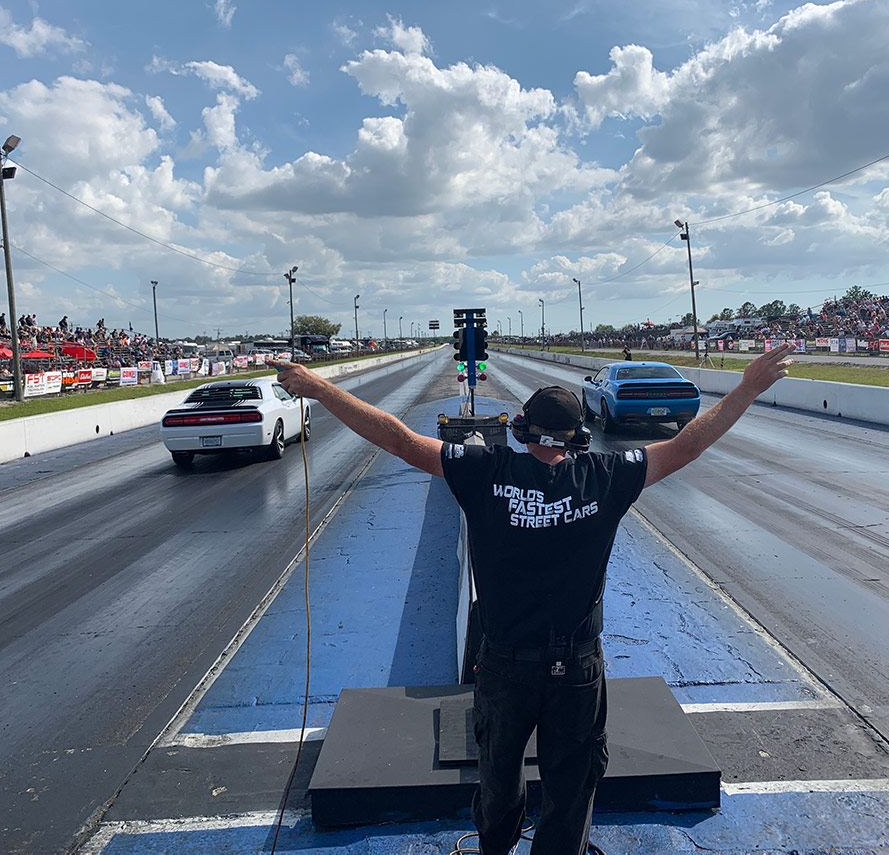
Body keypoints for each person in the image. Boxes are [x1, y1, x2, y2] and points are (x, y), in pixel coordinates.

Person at [275, 343, 792, 854]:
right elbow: (687, 445)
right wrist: (746, 388)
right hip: (577, 668)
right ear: (579, 436)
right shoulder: (605, 477)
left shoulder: (485, 471)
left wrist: (319, 388)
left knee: (498, 781)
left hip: (502, 665)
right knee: (571, 788)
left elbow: (401, 441)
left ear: (522, 427)